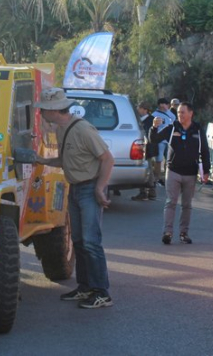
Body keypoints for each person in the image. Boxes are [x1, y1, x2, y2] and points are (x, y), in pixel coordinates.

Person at [34, 88, 115, 309]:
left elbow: (108, 159)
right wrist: (41, 160)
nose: (41, 114)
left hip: (88, 189)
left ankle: (101, 292)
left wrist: (100, 188)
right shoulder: (62, 129)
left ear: (53, 111)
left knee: (91, 242)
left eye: (44, 110)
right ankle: (86, 286)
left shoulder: (83, 129)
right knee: (79, 242)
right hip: (76, 188)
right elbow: (64, 160)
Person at [150, 101, 210, 245]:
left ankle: (184, 233)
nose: (180, 115)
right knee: (171, 202)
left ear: (191, 113)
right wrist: (154, 127)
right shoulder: (172, 128)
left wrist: (206, 171)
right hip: (173, 171)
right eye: (178, 113)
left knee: (187, 205)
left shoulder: (197, 130)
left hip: (190, 172)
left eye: (183, 112)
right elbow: (154, 139)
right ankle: (168, 232)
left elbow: (205, 151)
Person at [132, 102, 158, 201]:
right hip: (141, 148)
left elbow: (148, 136)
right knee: (145, 170)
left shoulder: (151, 120)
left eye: (139, 108)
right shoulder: (139, 120)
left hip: (148, 149)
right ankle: (144, 192)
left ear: (144, 109)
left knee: (148, 170)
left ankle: (150, 191)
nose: (138, 110)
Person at [151, 98, 176, 186]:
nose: (166, 105)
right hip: (160, 140)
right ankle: (156, 178)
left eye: (167, 104)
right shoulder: (154, 114)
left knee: (169, 160)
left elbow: (174, 121)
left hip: (169, 140)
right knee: (159, 160)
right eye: (165, 104)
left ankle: (167, 179)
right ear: (160, 104)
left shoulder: (170, 114)